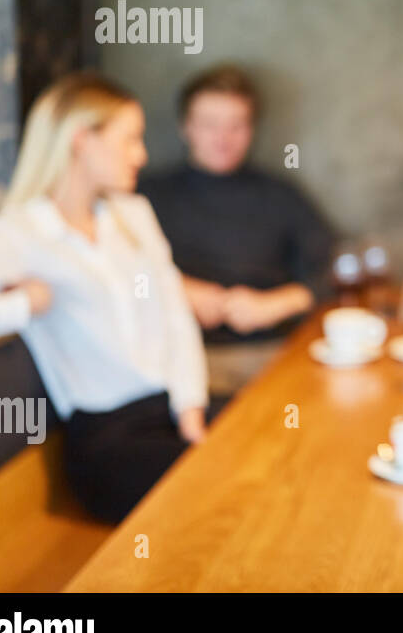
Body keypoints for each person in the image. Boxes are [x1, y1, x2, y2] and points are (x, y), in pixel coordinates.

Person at [0, 72, 223, 524]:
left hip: (175, 410)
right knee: (231, 499)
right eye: (131, 139)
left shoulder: (134, 214)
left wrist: (191, 411)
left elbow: (175, 314)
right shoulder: (19, 235)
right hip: (111, 443)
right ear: (81, 140)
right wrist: (21, 307)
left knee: (272, 449)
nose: (142, 154)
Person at [138, 65, 334, 394]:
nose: (223, 138)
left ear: (252, 129)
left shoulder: (280, 194)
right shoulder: (148, 196)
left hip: (273, 355)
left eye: (236, 125)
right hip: (181, 357)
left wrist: (274, 305)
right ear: (186, 127)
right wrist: (178, 289)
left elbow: (332, 268)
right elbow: (111, 271)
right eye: (210, 125)